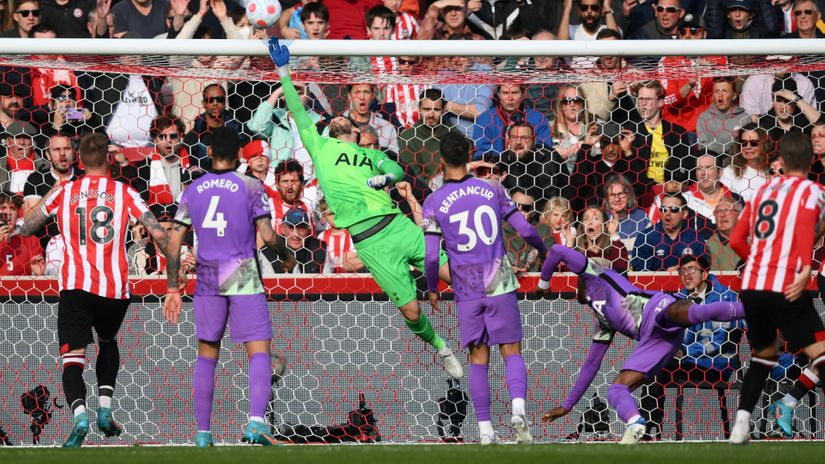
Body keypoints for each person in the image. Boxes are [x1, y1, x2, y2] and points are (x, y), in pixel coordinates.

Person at [269, 37, 464, 379]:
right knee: (414, 313)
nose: (340, 123)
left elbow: (400, 169)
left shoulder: (371, 154)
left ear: (357, 134)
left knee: (459, 281)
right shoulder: (320, 146)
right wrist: (284, 70)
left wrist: (386, 178)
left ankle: (487, 327)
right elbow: (298, 112)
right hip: (371, 244)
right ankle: (442, 348)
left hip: (399, 226)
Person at [18, 132, 170, 447]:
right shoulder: (125, 192)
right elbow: (158, 233)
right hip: (115, 289)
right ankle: (105, 409)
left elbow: (28, 227)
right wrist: (175, 280)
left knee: (73, 358)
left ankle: (80, 417)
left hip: (75, 285)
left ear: (78, 159)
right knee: (108, 341)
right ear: (108, 158)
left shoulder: (64, 191)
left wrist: (52, 198)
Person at [161, 126, 293, 447]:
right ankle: (256, 424)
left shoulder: (192, 190)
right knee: (258, 348)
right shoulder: (250, 186)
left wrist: (173, 287)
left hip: (207, 274)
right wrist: (286, 256)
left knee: (207, 354)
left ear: (208, 153)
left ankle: (203, 434)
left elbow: (175, 239)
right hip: (242, 270)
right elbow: (267, 231)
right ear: (238, 155)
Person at [538, 244, 745, 444]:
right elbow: (591, 365)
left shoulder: (599, 274)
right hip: (655, 342)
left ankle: (752, 308)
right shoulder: (603, 321)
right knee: (617, 389)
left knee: (692, 313)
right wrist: (567, 406)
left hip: (655, 310)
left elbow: (557, 251)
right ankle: (635, 422)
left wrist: (544, 284)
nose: (576, 287)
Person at [422, 131, 547, 445]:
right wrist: (543, 249)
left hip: (467, 289)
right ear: (469, 155)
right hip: (500, 282)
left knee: (478, 359)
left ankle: (485, 431)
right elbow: (525, 228)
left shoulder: (434, 202)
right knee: (512, 351)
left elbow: (430, 254)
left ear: (440, 160)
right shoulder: (492, 187)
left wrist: (432, 286)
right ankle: (518, 409)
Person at [728, 131, 825, 443]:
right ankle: (788, 402)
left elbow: (735, 239)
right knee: (822, 354)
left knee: (764, 354)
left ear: (781, 160)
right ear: (811, 160)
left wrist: (756, 260)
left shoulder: (763, 191)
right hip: (786, 284)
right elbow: (808, 226)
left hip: (753, 284)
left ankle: (741, 423)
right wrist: (804, 267)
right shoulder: (813, 191)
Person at [639, 254, 744, 440]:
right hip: (685, 364)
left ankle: (646, 430)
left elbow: (724, 340)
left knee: (657, 368)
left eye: (691, 270)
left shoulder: (726, 297)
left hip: (715, 365)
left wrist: (686, 352)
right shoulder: (678, 301)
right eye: (682, 271)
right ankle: (646, 429)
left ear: (704, 274)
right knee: (652, 364)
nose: (686, 275)